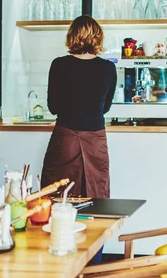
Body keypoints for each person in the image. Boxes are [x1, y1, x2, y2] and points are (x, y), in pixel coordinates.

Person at [41, 15, 117, 199]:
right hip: (95, 140)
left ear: (72, 36)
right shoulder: (108, 68)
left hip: (65, 138)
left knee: (58, 193)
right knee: (96, 194)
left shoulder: (59, 65)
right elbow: (105, 107)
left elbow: (53, 106)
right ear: (98, 37)